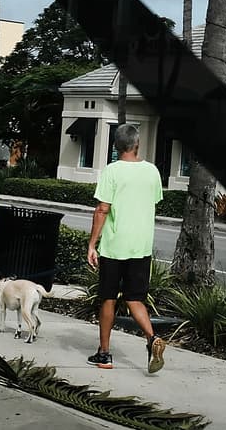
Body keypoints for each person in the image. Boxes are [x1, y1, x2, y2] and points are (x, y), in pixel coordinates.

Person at [86, 123, 166, 372]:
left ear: (116, 146)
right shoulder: (152, 171)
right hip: (141, 246)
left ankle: (104, 354)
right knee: (135, 298)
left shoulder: (111, 171)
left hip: (114, 246)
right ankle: (152, 338)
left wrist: (92, 244)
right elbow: (153, 202)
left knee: (108, 298)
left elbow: (102, 209)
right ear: (137, 144)